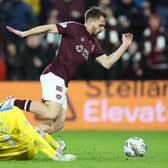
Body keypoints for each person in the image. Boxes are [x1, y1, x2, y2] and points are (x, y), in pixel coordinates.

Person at [2, 6, 133, 133]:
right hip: (54, 75)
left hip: (63, 82)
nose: (102, 29)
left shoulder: (92, 44)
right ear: (91, 21)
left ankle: (29, 136)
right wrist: (25, 33)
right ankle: (11, 102)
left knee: (58, 123)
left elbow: (107, 63)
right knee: (51, 113)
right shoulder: (74, 28)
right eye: (101, 25)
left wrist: (124, 46)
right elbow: (49, 28)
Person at [0, 105, 76, 161]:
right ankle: (57, 146)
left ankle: (57, 146)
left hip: (5, 157)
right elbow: (32, 135)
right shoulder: (12, 111)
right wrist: (54, 155)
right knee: (35, 130)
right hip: (26, 153)